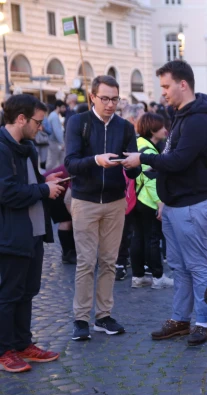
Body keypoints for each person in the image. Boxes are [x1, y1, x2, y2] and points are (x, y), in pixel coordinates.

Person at [122, 60, 207, 346]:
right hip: (175, 204)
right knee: (179, 266)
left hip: (193, 204)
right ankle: (180, 319)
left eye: (166, 86)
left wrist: (143, 158)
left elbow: (178, 161)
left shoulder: (198, 120)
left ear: (182, 84)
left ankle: (203, 322)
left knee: (197, 266)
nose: (162, 92)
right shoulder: (180, 116)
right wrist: (163, 197)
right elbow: (172, 160)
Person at [65, 76, 141, 341]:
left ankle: (103, 315)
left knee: (109, 261)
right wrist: (96, 160)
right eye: (105, 98)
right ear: (93, 97)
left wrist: (133, 164)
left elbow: (135, 170)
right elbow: (71, 163)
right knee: (86, 262)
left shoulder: (125, 127)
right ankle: (80, 318)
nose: (110, 104)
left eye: (115, 99)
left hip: (115, 201)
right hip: (85, 200)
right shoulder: (78, 122)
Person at [0, 95, 64, 373]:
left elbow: (28, 182)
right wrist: (43, 189)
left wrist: (44, 181)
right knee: (8, 295)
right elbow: (7, 193)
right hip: (11, 234)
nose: (41, 127)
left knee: (27, 292)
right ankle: (4, 351)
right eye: (38, 122)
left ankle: (22, 343)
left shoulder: (27, 147)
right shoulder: (2, 149)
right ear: (21, 119)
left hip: (34, 232)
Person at [129, 113, 174, 290]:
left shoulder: (139, 143)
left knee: (138, 237)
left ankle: (138, 276)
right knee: (152, 238)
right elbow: (150, 179)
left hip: (137, 198)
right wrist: (159, 202)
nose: (165, 130)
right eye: (162, 127)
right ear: (153, 129)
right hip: (148, 200)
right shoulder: (148, 150)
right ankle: (158, 277)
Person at [115, 104, 146, 281]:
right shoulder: (125, 135)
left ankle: (122, 261)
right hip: (125, 186)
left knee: (130, 228)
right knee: (125, 227)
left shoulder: (134, 136)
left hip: (135, 187)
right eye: (142, 117)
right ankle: (119, 262)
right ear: (133, 120)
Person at [44, 164, 76, 265]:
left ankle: (73, 251)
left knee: (71, 221)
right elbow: (68, 200)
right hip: (52, 190)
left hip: (57, 188)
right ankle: (68, 253)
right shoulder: (79, 170)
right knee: (66, 221)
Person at [46, 100, 67, 170]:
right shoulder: (54, 116)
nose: (64, 109)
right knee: (53, 162)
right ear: (58, 107)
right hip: (54, 142)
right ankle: (46, 175)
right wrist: (62, 143)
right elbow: (57, 131)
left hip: (54, 142)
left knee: (59, 160)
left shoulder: (54, 115)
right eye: (63, 107)